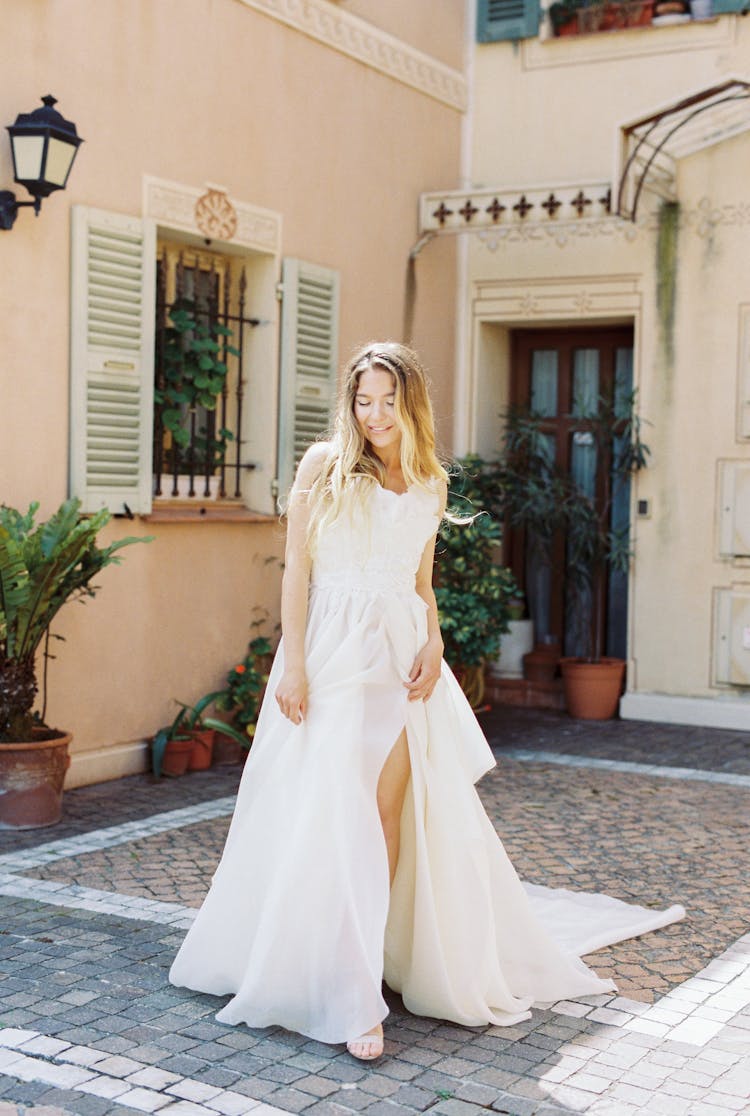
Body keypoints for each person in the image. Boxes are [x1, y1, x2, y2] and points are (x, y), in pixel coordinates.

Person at [169, 342, 683, 1062]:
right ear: (350, 403)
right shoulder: (323, 466)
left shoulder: (432, 483)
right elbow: (297, 571)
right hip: (333, 651)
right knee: (330, 808)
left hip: (403, 658)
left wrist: (437, 643)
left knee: (385, 815)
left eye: (387, 400)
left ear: (410, 402)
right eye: (363, 399)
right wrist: (293, 665)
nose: (374, 414)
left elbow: (420, 584)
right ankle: (344, 987)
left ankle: (368, 958)